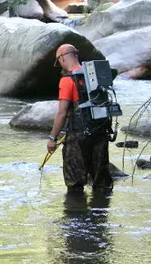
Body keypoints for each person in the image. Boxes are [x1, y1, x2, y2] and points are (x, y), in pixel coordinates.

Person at [47, 44, 113, 195]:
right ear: (76, 55)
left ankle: (76, 214)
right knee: (102, 184)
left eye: (59, 62)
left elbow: (62, 113)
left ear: (62, 57)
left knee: (75, 183)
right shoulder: (95, 75)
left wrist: (52, 138)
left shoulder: (67, 80)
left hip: (78, 137)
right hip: (100, 132)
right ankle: (101, 214)